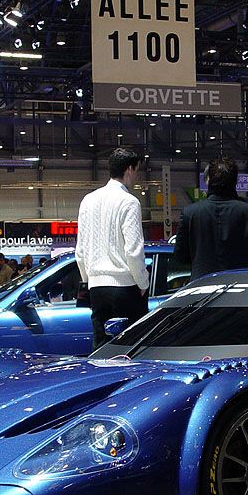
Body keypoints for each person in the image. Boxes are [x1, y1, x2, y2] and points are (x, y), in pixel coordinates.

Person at [75, 147, 150, 350]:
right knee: (130, 350)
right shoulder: (129, 202)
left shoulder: (88, 200)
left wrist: (89, 280)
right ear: (129, 169)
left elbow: (80, 251)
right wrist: (143, 283)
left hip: (96, 289)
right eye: (137, 170)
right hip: (125, 288)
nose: (137, 176)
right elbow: (133, 250)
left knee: (101, 350)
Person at [174, 156, 248, 281]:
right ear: (236, 181)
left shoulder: (189, 213)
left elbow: (181, 257)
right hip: (241, 284)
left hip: (202, 285)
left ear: (208, 180)